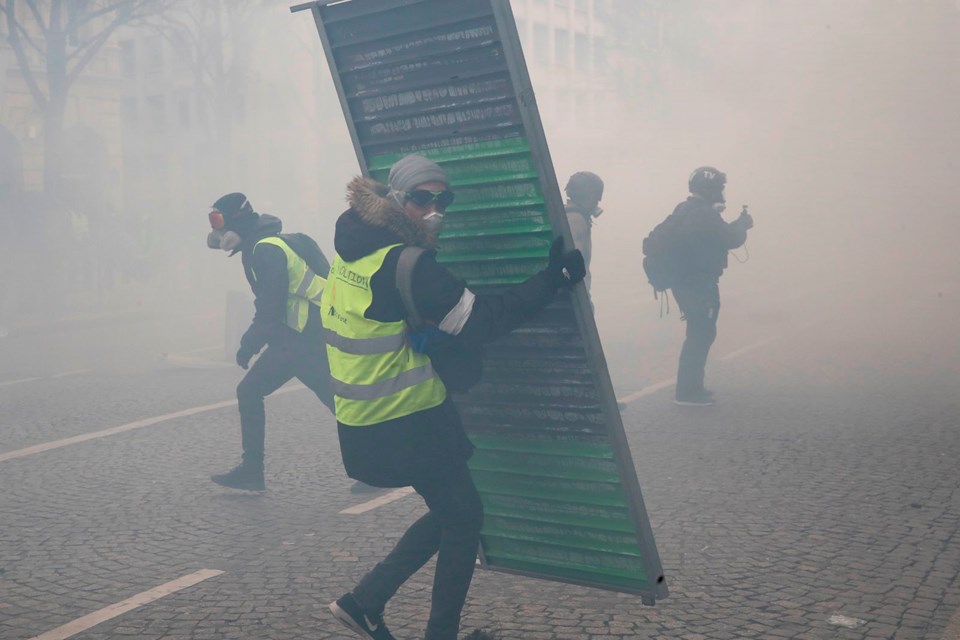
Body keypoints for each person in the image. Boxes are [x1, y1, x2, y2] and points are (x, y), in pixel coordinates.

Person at [321, 155, 585, 640]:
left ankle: (364, 602)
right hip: (409, 421)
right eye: (423, 198)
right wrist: (552, 279)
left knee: (453, 511)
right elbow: (484, 320)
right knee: (464, 517)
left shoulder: (353, 248)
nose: (435, 209)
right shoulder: (409, 264)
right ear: (396, 198)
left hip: (360, 423)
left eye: (444, 199)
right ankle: (429, 630)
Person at [205, 193, 344, 491]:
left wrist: (248, 345)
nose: (217, 231)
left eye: (219, 221)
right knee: (337, 400)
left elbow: (270, 307)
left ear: (237, 220)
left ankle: (252, 471)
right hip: (304, 335)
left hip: (301, 338)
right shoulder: (267, 244)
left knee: (251, 391)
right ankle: (378, 461)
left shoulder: (265, 251)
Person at [668, 167, 753, 406]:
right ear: (710, 189)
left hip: (686, 281)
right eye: (719, 188)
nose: (721, 193)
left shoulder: (685, 209)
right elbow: (729, 238)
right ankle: (687, 392)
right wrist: (742, 225)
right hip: (698, 283)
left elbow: (718, 235)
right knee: (700, 334)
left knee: (699, 332)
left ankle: (693, 387)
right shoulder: (704, 214)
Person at [563, 171, 604, 290]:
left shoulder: (567, 216)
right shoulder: (576, 221)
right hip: (577, 292)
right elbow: (576, 264)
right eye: (596, 197)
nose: (598, 202)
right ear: (588, 196)